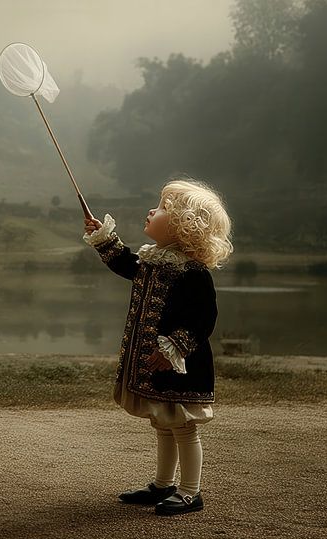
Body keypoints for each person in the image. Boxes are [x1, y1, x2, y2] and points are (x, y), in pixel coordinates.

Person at [83, 179, 232, 516]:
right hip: (156, 364)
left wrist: (173, 347)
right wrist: (102, 237)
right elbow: (126, 265)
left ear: (184, 225)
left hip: (180, 365)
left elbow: (204, 318)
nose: (153, 210)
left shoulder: (193, 273)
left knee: (182, 425)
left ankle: (191, 492)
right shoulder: (153, 261)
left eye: (163, 208)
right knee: (162, 423)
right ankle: (163, 485)